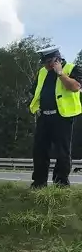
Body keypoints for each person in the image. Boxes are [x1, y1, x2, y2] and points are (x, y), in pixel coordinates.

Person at [29, 46, 82, 188]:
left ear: (57, 59)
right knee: (39, 150)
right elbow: (35, 91)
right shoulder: (42, 72)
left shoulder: (71, 68)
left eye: (48, 62)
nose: (45, 66)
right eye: (44, 63)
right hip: (44, 116)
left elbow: (76, 87)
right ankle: (39, 183)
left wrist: (60, 73)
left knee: (62, 152)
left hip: (63, 116)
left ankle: (61, 183)